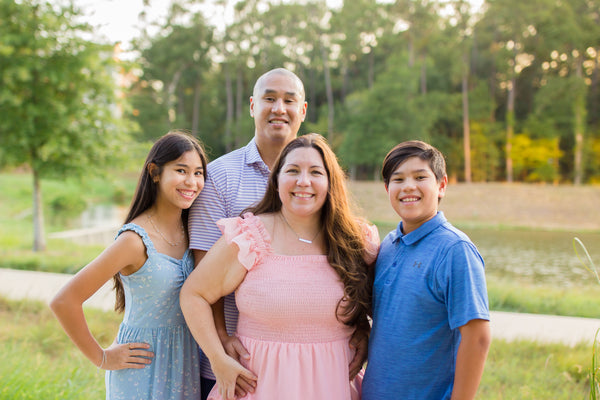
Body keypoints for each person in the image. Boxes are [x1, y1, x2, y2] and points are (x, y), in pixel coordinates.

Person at [188, 68, 368, 399]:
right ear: (253, 105)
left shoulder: (346, 232)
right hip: (241, 361)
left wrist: (363, 329)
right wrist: (220, 345)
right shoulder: (220, 178)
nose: (279, 108)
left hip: (326, 372)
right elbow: (201, 278)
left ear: (303, 110)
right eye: (269, 98)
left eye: (289, 100)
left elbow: (367, 290)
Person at [50, 131, 207, 400]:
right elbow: (64, 301)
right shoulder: (134, 241)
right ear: (155, 173)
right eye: (181, 170)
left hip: (186, 363)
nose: (191, 182)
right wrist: (101, 358)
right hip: (141, 368)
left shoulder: (194, 230)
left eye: (198, 173)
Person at [362, 140, 491, 400]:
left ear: (441, 185)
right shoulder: (387, 245)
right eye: (398, 179)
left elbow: (477, 337)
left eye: (420, 177)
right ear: (387, 188)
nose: (408, 186)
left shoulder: (455, 250)